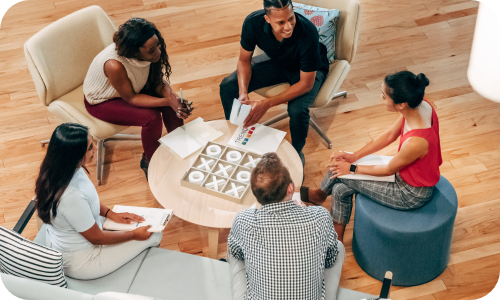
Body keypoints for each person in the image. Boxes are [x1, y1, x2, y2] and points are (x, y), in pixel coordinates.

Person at [301, 71, 441, 243]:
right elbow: (390, 135)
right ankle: (335, 239)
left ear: (400, 105)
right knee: (339, 186)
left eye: (383, 96)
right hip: (403, 173)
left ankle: (321, 201)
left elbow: (389, 169)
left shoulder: (417, 141)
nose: (380, 98)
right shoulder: (420, 106)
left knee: (340, 172)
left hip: (409, 193)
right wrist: (355, 156)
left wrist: (351, 168)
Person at [35, 123, 162, 280]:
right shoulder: (70, 196)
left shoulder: (60, 169)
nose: (95, 148)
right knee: (155, 236)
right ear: (74, 154)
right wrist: (134, 235)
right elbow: (97, 238)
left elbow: (88, 201)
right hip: (83, 260)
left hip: (80, 234)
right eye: (89, 147)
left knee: (143, 228)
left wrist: (111, 213)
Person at [219, 0, 329, 165]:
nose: (288, 26)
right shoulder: (252, 22)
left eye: (291, 18)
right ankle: (238, 137)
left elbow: (306, 84)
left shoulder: (308, 32)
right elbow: (243, 60)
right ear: (267, 19)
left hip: (308, 71)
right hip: (279, 62)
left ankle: (296, 153)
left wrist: (266, 104)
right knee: (228, 86)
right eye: (281, 22)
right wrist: (243, 93)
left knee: (297, 110)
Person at [83, 18, 192, 179]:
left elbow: (156, 80)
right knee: (151, 118)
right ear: (134, 52)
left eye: (158, 45)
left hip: (132, 88)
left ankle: (181, 147)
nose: (158, 52)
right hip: (102, 100)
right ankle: (150, 161)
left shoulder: (151, 51)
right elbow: (131, 98)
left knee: (171, 102)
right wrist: (168, 100)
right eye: (151, 50)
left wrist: (172, 98)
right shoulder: (114, 65)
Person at [227, 152, 343, 300]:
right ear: (290, 188)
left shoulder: (243, 220)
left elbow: (237, 253)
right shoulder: (320, 216)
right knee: (337, 246)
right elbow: (330, 259)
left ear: (256, 194)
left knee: (233, 249)